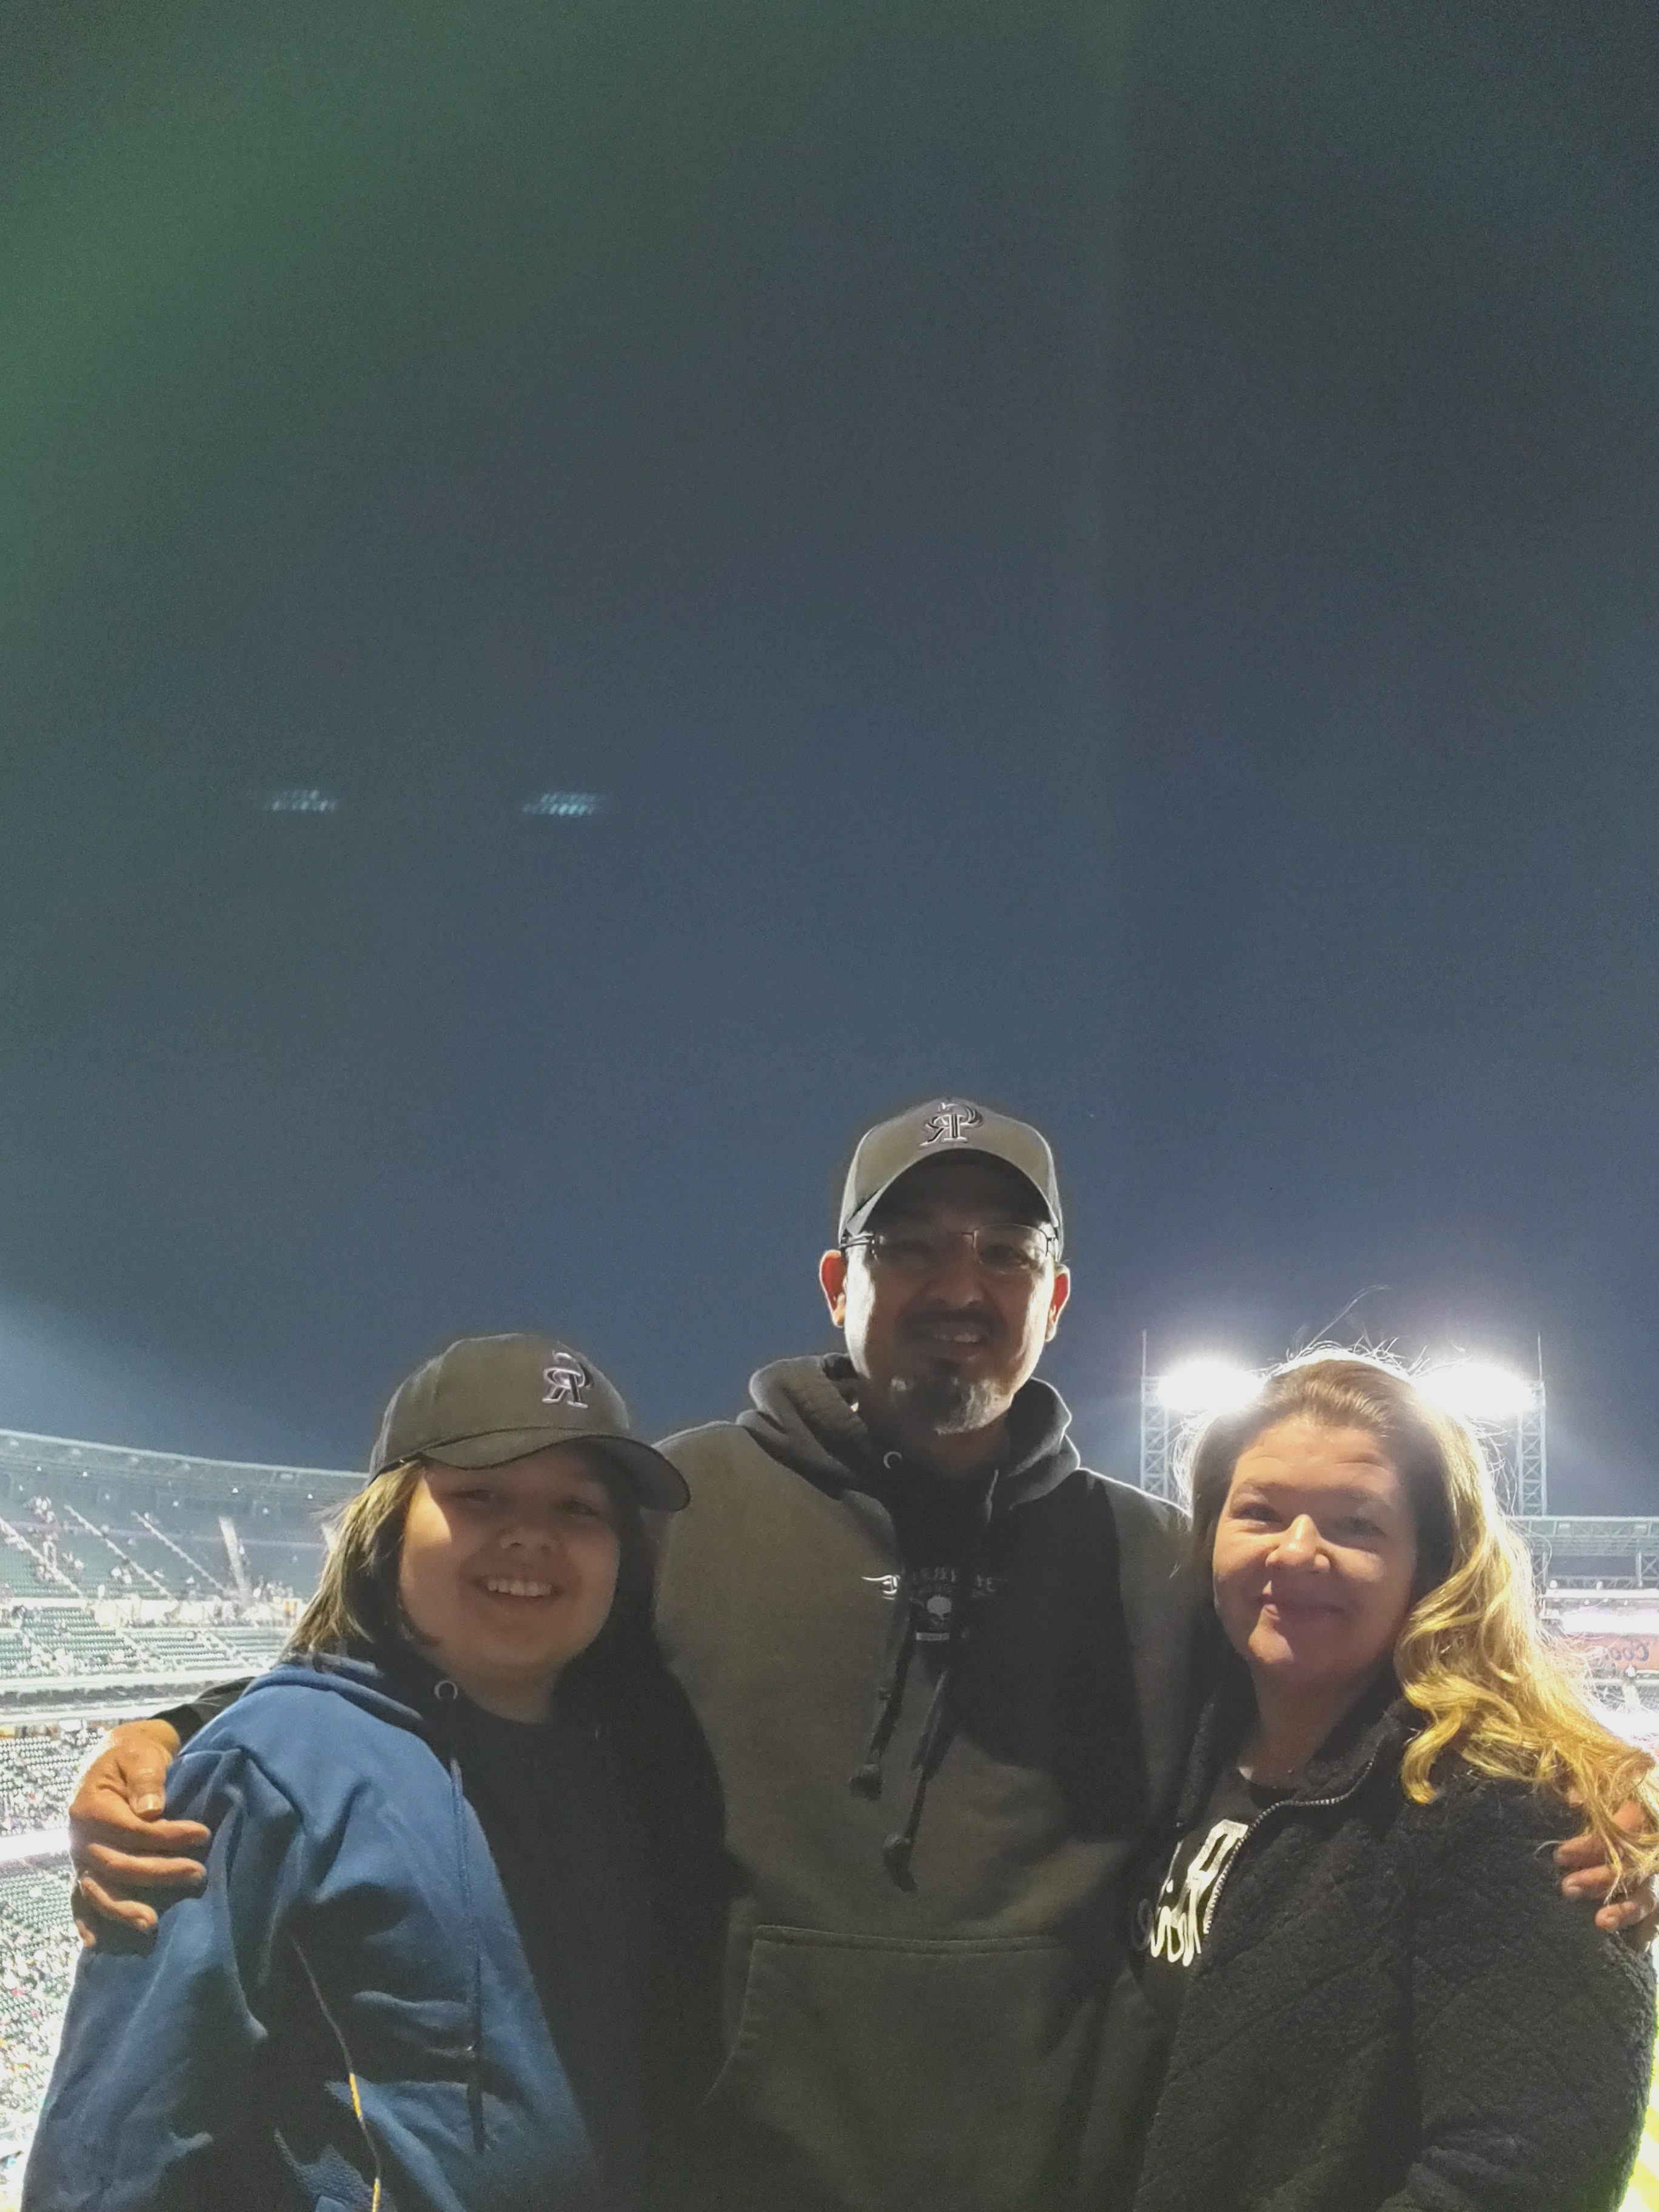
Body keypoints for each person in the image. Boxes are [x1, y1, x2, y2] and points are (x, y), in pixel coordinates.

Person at [65, 1101, 1654, 2212]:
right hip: (724, 2185)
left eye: (1004, 1254)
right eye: (913, 1247)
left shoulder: (1162, 1562)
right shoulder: (676, 1509)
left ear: (1055, 1298)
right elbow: (468, 1651)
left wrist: (1594, 1785)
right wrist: (181, 1729)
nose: (960, 1287)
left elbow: (1377, 1696)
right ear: (840, 1282)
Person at [28, 1333, 723, 2212]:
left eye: (579, 1508)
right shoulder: (268, 1767)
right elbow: (114, 2158)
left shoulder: (623, 1755)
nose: (531, 1535)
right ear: (388, 1526)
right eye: (480, 1495)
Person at [1118, 1352, 1657, 2212]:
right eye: (1259, 1512)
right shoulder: (1179, 1743)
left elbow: (1520, 2178)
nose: (1297, 1551)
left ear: (1432, 1563)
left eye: (1355, 1525)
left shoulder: (1506, 1805)